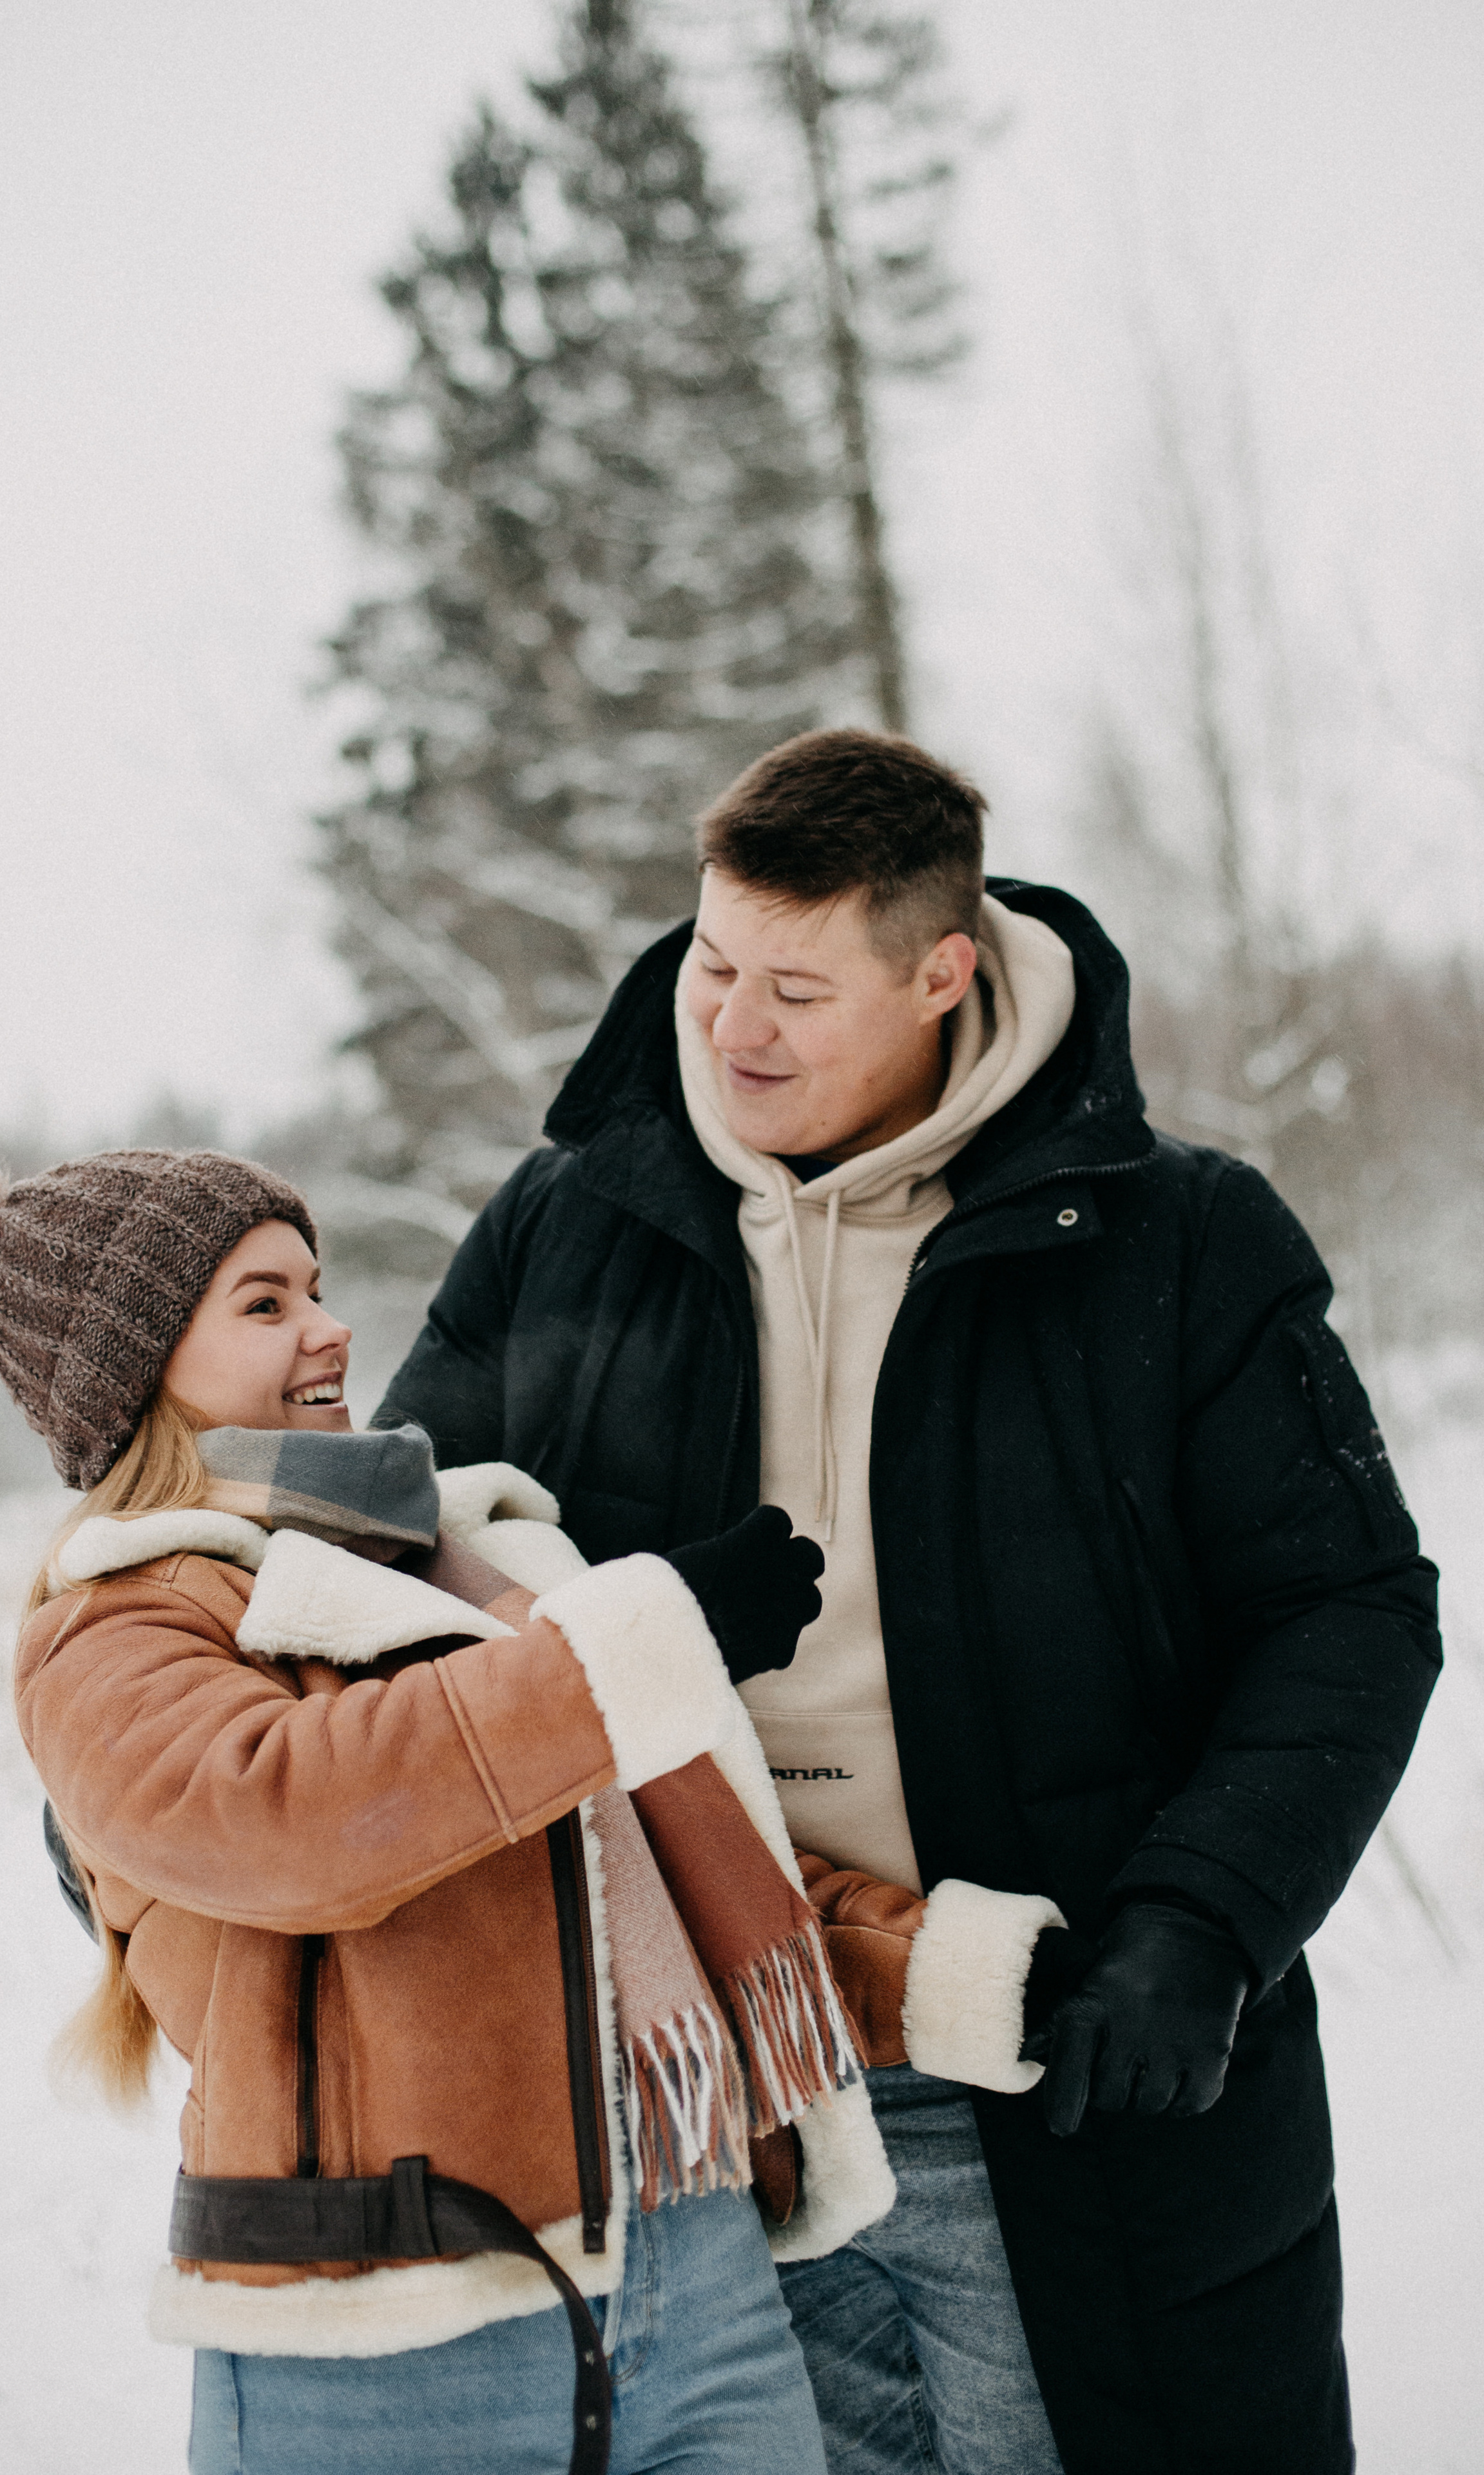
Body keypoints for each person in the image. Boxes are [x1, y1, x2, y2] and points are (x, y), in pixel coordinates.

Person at [374, 728, 1443, 2475]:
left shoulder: (1176, 1242)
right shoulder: (571, 1225)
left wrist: (1205, 1918)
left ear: (943, 973)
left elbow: (1349, 1610)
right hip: (705, 2083)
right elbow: (412, 1574)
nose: (730, 1026)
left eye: (797, 987)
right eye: (716, 963)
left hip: (1058, 2066)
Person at [0, 1143, 903, 2475]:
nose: (332, 1328)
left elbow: (669, 1882)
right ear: (141, 1361)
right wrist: (639, 1647)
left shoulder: (495, 1567)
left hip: (698, 2276)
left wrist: (957, 1967)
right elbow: (291, 1816)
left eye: (317, 1289)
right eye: (265, 1302)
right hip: (385, 2333)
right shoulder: (116, 1625)